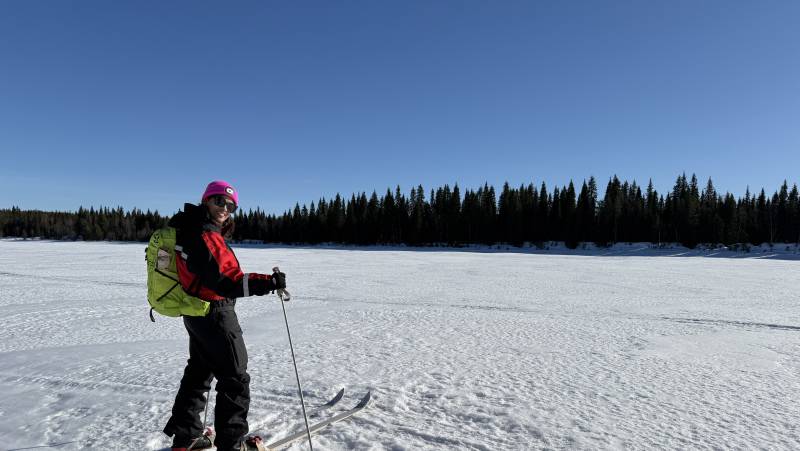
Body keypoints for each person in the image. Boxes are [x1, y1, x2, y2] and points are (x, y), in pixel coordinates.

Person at [163, 180, 286, 451]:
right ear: (206, 200)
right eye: (219, 201)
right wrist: (268, 282)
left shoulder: (190, 229)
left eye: (231, 205)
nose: (225, 208)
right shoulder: (203, 235)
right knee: (235, 378)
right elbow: (227, 280)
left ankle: (188, 437)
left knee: (199, 372)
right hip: (216, 314)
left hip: (196, 312)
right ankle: (232, 444)